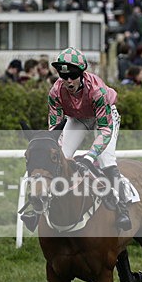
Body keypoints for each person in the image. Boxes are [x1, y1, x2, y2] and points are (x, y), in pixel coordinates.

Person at [34, 47, 131, 232]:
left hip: (104, 119)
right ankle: (43, 207)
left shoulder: (97, 91)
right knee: (59, 157)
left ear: (81, 73)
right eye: (64, 76)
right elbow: (54, 129)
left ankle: (122, 208)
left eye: (73, 76)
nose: (69, 81)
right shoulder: (55, 92)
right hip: (78, 118)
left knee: (106, 160)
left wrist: (89, 157)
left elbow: (104, 130)